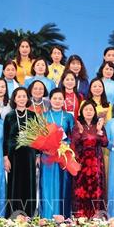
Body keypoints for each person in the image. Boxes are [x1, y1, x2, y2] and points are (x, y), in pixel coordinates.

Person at [3, 88, 38, 217]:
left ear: (27, 98)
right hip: (14, 156)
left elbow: (38, 137)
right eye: (19, 96)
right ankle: (14, 215)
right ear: (15, 99)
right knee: (14, 185)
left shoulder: (33, 115)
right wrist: (5, 157)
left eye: (24, 96)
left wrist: (38, 155)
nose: (22, 99)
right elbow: (6, 138)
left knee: (29, 184)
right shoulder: (9, 116)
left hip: (29, 155)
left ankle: (29, 215)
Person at [41, 89, 75, 218]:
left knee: (63, 185)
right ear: (50, 100)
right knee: (47, 185)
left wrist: (66, 144)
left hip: (63, 156)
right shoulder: (44, 116)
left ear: (64, 101)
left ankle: (63, 217)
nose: (57, 101)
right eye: (55, 98)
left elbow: (74, 136)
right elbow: (38, 136)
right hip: (47, 155)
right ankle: (47, 217)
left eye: (60, 98)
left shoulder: (68, 117)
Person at [71, 100, 108, 218]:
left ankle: (96, 218)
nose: (88, 112)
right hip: (82, 164)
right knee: (81, 191)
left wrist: (99, 131)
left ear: (94, 112)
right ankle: (81, 218)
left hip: (96, 164)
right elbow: (73, 144)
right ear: (81, 111)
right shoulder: (77, 126)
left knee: (96, 191)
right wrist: (80, 132)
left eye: (91, 110)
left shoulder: (99, 125)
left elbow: (105, 143)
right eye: (86, 109)